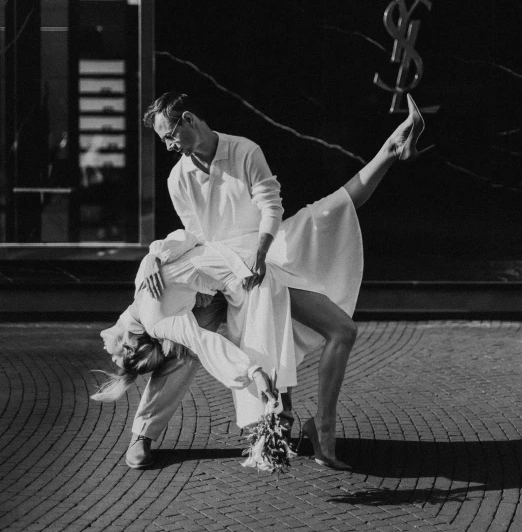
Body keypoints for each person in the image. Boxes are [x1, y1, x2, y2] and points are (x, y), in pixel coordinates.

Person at [100, 92, 427, 470]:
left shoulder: (244, 151)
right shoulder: (178, 178)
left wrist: (259, 250)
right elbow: (193, 235)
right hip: (213, 276)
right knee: (183, 349)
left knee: (326, 216)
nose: (169, 146)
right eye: (164, 141)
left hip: (264, 260)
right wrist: (156, 256)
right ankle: (144, 432)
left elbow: (272, 206)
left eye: (170, 136)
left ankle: (391, 148)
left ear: (188, 119)